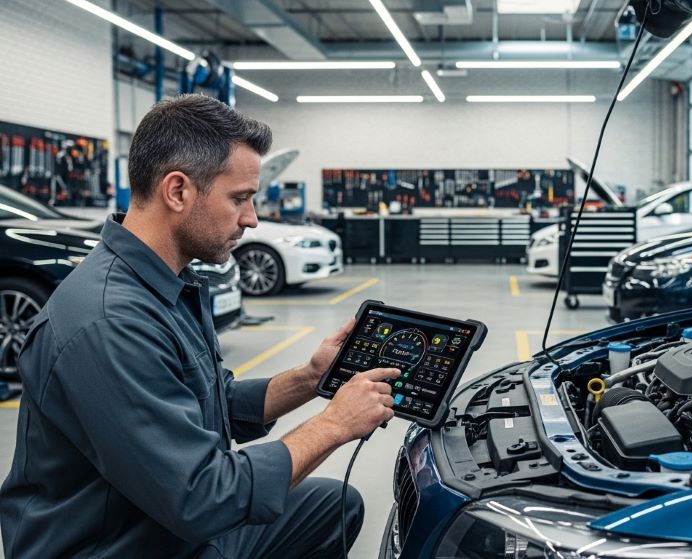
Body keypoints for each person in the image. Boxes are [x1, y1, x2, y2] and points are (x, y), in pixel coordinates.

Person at [0, 94, 398, 557]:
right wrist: (334, 424)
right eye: (240, 199)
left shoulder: (164, 282)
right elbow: (203, 499)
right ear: (178, 191)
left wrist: (312, 379)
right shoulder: (110, 322)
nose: (251, 218)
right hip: (112, 544)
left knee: (332, 505)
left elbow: (216, 400)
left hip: (156, 519)